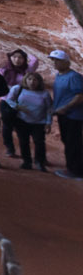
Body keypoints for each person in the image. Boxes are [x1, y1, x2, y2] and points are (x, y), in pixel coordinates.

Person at [8, 71, 54, 171]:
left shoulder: (45, 93)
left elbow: (49, 109)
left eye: (35, 80)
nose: (32, 82)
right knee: (24, 142)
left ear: (39, 81)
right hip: (22, 120)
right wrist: (17, 106)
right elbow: (9, 100)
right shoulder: (18, 89)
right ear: (25, 80)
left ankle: (39, 162)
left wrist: (48, 122)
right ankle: (27, 161)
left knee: (39, 142)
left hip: (39, 122)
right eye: (29, 79)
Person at [0, 47, 39, 158]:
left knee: (21, 126)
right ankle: (10, 148)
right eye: (15, 57)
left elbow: (35, 59)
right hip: (6, 101)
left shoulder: (28, 70)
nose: (17, 60)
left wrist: (25, 49)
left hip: (23, 102)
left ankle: (25, 152)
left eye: (20, 57)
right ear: (10, 58)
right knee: (7, 126)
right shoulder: (3, 71)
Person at [52, 49, 83, 179]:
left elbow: (80, 96)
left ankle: (76, 171)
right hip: (63, 114)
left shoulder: (74, 77)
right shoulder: (59, 76)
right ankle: (73, 167)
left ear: (66, 62)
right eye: (53, 60)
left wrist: (66, 107)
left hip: (73, 115)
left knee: (73, 142)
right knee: (68, 141)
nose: (55, 63)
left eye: (58, 61)